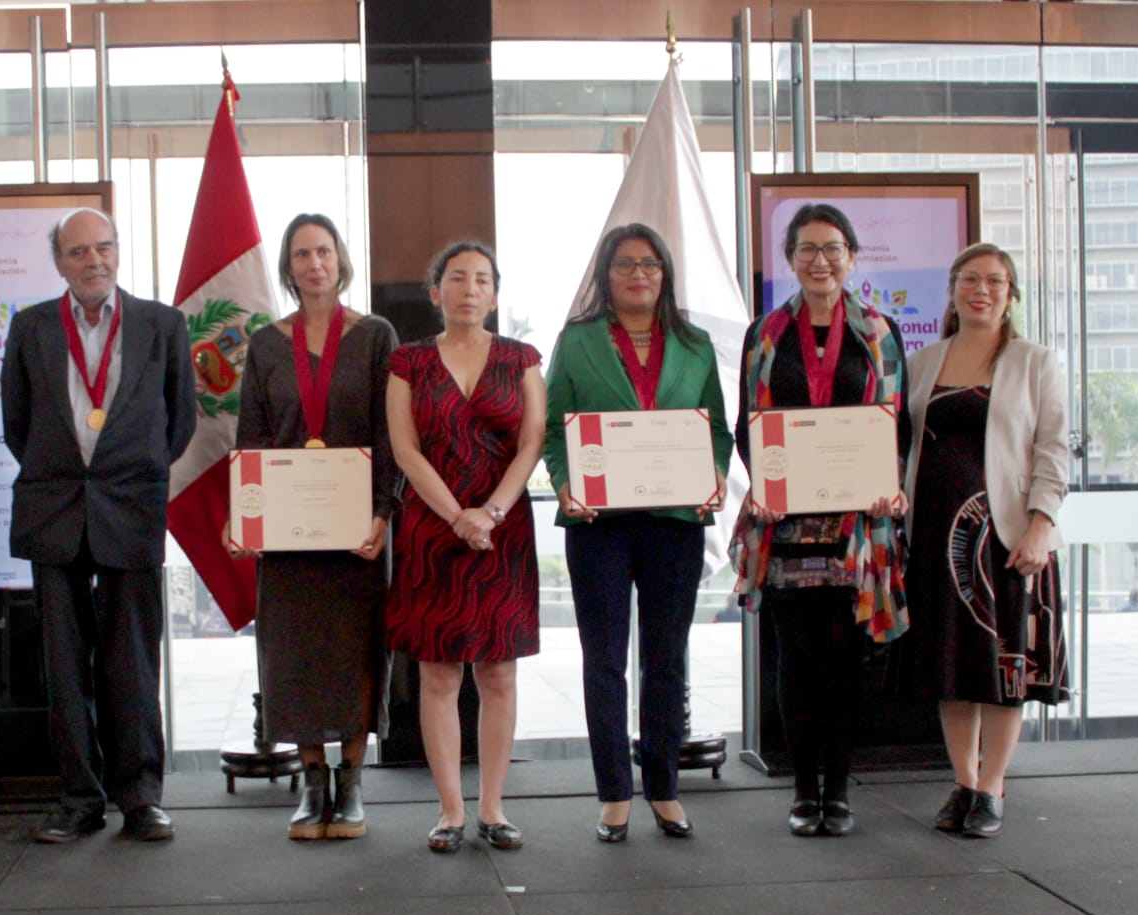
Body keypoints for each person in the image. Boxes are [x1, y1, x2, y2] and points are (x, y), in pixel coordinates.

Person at [1, 208, 196, 844]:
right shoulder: (30, 327)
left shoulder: (161, 323)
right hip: (53, 508)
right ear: (60, 262)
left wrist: (127, 471)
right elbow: (17, 423)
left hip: (131, 505)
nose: (94, 261)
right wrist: (70, 471)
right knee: (64, 664)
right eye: (79, 252)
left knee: (133, 661)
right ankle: (78, 797)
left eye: (103, 248)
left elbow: (180, 422)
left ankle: (141, 797)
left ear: (118, 251)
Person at [544, 223, 731, 844]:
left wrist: (717, 476)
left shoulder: (697, 344)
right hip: (598, 524)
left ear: (665, 274)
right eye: (625, 265)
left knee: (665, 660)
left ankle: (664, 789)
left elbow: (717, 433)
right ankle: (614, 793)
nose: (639, 275)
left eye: (650, 264)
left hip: (675, 522)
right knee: (604, 661)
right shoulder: (576, 342)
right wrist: (567, 482)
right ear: (606, 274)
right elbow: (553, 429)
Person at [731, 203, 909, 838]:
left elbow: (898, 426)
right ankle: (803, 791)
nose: (820, 260)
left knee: (845, 662)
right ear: (789, 260)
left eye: (832, 248)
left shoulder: (880, 333)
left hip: (857, 530)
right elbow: (746, 426)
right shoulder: (765, 335)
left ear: (852, 257)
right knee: (796, 662)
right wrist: (763, 485)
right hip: (786, 528)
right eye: (806, 249)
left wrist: (889, 490)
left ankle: (841, 790)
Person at [228, 214, 398, 840]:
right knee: (292, 652)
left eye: (323, 250)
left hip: (357, 529)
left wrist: (383, 512)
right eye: (301, 254)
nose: (314, 263)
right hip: (289, 532)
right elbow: (252, 436)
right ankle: (312, 782)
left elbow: (391, 435)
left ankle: (351, 783)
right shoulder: (268, 344)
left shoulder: (376, 335)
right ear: (289, 267)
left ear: (340, 258)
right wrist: (245, 516)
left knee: (356, 649)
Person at [897, 244, 1070, 837]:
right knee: (951, 666)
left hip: (1009, 538)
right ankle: (963, 782)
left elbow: (1053, 449)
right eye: (971, 279)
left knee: (1003, 668)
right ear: (952, 290)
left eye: (995, 281)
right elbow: (899, 448)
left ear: (1010, 293)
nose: (982, 289)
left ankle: (993, 786)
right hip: (934, 538)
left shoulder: (1035, 362)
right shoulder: (921, 362)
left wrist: (1041, 524)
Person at [386, 242, 545, 854]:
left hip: (503, 529)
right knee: (438, 673)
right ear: (436, 291)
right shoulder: (408, 362)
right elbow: (405, 450)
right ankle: (450, 811)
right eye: (457, 278)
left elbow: (532, 442)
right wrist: (457, 517)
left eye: (482, 280)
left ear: (496, 294)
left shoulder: (522, 357)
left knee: (499, 671)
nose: (469, 289)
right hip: (433, 529)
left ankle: (494, 808)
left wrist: (492, 513)